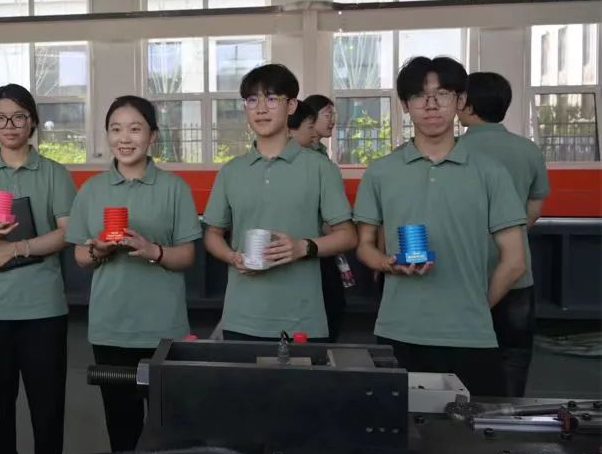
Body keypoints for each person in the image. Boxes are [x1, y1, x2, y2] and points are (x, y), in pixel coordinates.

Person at [353, 57, 527, 396]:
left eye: (443, 93)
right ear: (405, 105)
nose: (431, 105)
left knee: (473, 426)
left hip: (471, 337)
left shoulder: (490, 173)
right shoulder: (381, 172)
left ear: (460, 101)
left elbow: (515, 261)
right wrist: (388, 263)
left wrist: (476, 307)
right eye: (420, 95)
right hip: (398, 330)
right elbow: (364, 246)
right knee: (398, 424)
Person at [65, 96, 202, 454]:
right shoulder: (92, 190)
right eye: (116, 129)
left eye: (135, 128)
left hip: (164, 328)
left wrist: (152, 250)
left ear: (153, 136)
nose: (124, 138)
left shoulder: (174, 188)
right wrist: (98, 251)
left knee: (167, 432)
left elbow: (187, 256)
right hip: (111, 328)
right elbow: (80, 256)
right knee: (121, 431)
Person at [0, 84, 76, 454]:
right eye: (1, 118)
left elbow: (67, 233)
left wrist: (17, 248)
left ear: (32, 122)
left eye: (19, 117)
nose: (10, 125)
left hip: (43, 308)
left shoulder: (54, 174)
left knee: (48, 406)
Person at [203, 64, 357, 342]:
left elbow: (348, 236)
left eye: (272, 98)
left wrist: (303, 247)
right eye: (252, 100)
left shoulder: (320, 168)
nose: (261, 108)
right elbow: (213, 234)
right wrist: (231, 257)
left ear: (291, 106)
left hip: (302, 320)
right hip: (241, 318)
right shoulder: (231, 171)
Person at [458, 72, 550, 397]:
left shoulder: (453, 150)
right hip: (516, 275)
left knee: (462, 357)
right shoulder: (528, 150)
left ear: (467, 106)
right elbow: (534, 208)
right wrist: (509, 233)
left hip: (462, 274)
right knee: (513, 357)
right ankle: (508, 417)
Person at [300, 94, 348, 341]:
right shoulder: (304, 157)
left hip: (327, 244)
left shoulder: (321, 154)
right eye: (327, 115)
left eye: (333, 115)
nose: (332, 120)